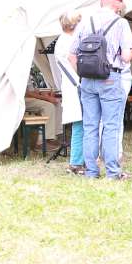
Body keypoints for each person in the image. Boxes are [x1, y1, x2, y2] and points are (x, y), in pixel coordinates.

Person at [75, 0, 132, 180]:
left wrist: (82, 73)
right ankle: (112, 172)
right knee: (111, 126)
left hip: (87, 80)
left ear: (102, 2)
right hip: (109, 78)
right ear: (117, 5)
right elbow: (125, 57)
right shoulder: (121, 23)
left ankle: (90, 171)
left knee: (90, 126)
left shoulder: (85, 21)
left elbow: (71, 55)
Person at [51, 11, 86, 175]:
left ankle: (80, 161)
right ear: (75, 24)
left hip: (72, 86)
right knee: (81, 125)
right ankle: (76, 163)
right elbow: (76, 65)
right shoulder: (70, 42)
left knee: (81, 124)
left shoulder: (62, 41)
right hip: (76, 86)